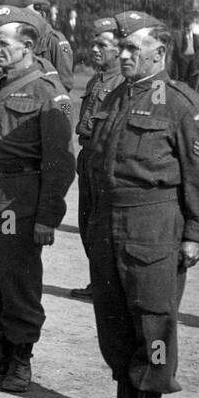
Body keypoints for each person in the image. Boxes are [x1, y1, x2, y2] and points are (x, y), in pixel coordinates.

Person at [76, 12, 199, 398]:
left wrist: (197, 234)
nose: (125, 54)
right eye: (123, 47)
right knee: (112, 313)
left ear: (160, 52)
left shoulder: (182, 104)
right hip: (108, 220)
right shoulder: (113, 97)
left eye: (134, 48)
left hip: (154, 221)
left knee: (153, 317)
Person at [0, 5, 75, 393]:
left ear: (28, 46)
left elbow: (60, 163)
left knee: (17, 275)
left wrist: (47, 217)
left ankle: (20, 360)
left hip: (17, 197)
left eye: (3, 43)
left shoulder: (48, 92)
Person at [69, 18, 124, 299]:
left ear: (119, 48)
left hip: (104, 159)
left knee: (103, 225)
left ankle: (108, 287)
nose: (94, 49)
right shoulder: (96, 78)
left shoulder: (123, 82)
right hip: (88, 154)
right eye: (93, 43)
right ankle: (99, 283)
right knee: (87, 222)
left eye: (102, 44)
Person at [21, 0, 74, 90]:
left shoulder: (55, 41)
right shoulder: (23, 40)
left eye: (29, 16)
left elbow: (65, 82)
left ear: (43, 15)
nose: (25, 20)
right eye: (23, 15)